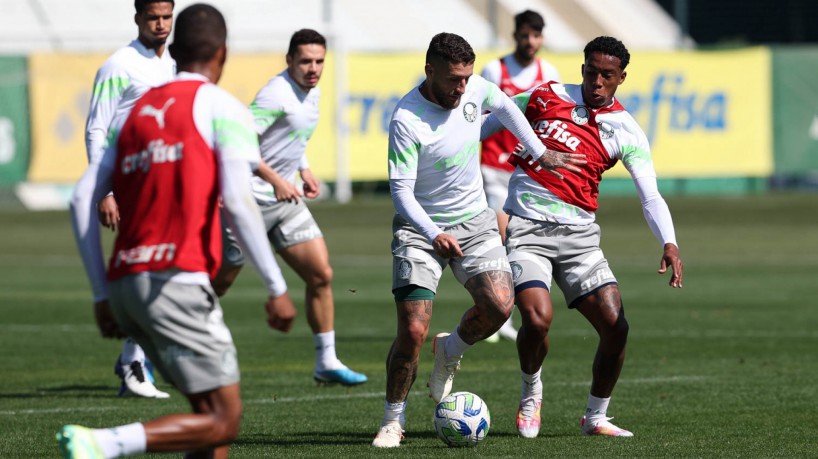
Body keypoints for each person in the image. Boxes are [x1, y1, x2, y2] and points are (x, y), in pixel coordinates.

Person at [59, 4, 297, 458]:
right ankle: (105, 443)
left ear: (176, 49)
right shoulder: (221, 107)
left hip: (127, 282)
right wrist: (276, 285)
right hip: (177, 279)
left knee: (204, 422)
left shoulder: (138, 111)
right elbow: (241, 204)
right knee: (223, 419)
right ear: (222, 54)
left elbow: (79, 199)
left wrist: (99, 294)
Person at [371, 32, 585, 448]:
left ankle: (450, 349)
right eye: (454, 79)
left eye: (467, 77)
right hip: (421, 230)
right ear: (430, 70)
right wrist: (435, 234)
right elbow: (401, 192)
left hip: (474, 221)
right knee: (413, 330)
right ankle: (392, 419)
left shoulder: (474, 89)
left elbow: (505, 106)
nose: (462, 88)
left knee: (501, 307)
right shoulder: (406, 119)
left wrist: (539, 153)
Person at [481, 36, 684, 439]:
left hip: (580, 239)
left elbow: (650, 195)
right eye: (591, 71)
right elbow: (487, 124)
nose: (597, 81)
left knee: (615, 325)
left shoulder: (626, 129)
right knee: (537, 320)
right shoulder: (545, 95)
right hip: (527, 228)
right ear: (582, 69)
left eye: (607, 75)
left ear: (622, 77)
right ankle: (530, 393)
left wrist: (670, 241)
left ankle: (595, 417)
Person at [211, 29, 367, 386]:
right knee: (217, 286)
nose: (314, 68)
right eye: (306, 61)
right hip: (247, 201)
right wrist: (276, 180)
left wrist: (303, 169)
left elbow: (289, 138)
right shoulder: (274, 94)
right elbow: (241, 142)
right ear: (289, 61)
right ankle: (153, 347)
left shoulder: (312, 92)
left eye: (319, 61)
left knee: (321, 275)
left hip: (285, 203)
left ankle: (326, 361)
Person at [83, 0, 177, 399]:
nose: (160, 24)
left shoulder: (173, 63)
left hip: (164, 183)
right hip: (128, 182)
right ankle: (135, 364)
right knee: (149, 272)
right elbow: (96, 127)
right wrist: (102, 190)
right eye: (153, 17)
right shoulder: (119, 65)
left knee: (165, 271)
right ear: (137, 18)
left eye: (166, 17)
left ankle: (134, 358)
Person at [480, 9, 561, 343]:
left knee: (511, 242)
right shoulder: (494, 70)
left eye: (536, 35)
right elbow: (480, 117)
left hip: (526, 173)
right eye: (525, 35)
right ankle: (498, 314)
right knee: (504, 236)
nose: (530, 42)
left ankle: (499, 313)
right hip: (493, 168)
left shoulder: (548, 72)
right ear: (515, 35)